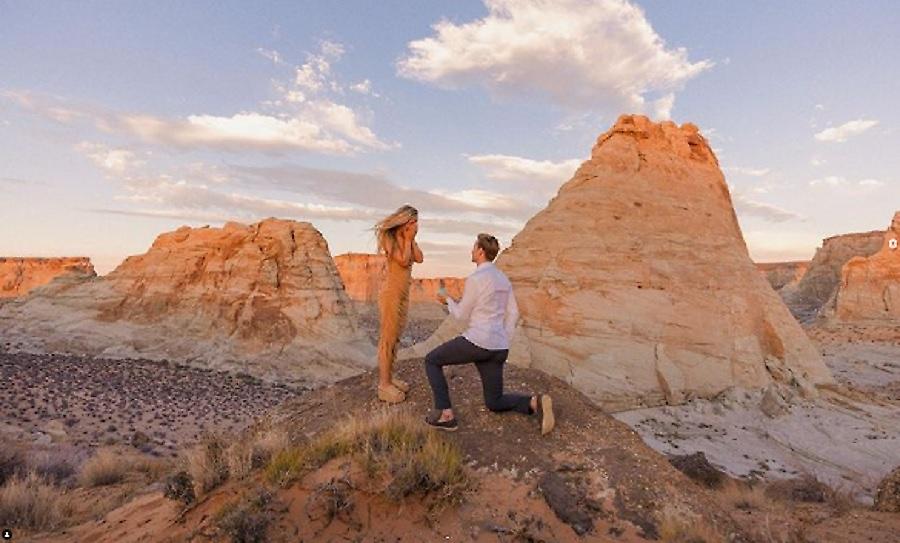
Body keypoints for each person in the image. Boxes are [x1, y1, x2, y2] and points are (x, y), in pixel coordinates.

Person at [425, 233, 555, 434]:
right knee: (494, 401)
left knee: (432, 360)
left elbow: (460, 315)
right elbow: (514, 312)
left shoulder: (476, 279)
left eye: (473, 247)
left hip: (477, 342)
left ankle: (446, 415)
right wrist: (504, 338)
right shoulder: (503, 279)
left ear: (480, 251)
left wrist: (447, 300)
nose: (471, 250)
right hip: (499, 347)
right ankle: (533, 403)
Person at [373, 205, 423, 403]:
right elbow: (403, 261)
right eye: (413, 222)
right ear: (405, 221)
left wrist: (411, 239)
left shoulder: (408, 240)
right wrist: (408, 238)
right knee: (387, 337)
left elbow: (419, 258)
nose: (416, 226)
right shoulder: (390, 239)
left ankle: (389, 378)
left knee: (396, 337)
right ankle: (383, 386)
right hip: (390, 293)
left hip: (402, 293)